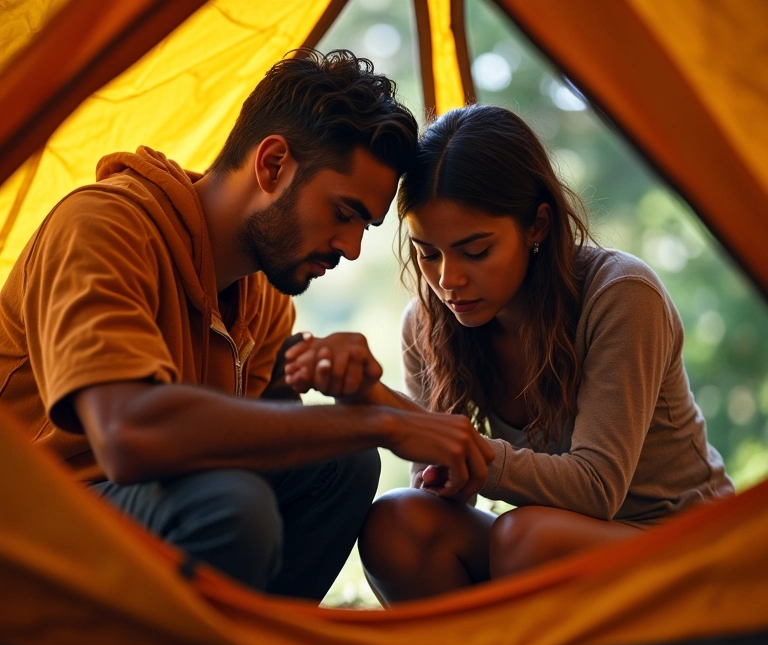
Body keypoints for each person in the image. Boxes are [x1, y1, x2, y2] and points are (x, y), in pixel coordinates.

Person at [0, 51, 495, 603]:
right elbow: (127, 435)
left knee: (342, 466)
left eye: (365, 226)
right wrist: (380, 425)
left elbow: (274, 437)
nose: (352, 249)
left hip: (130, 520)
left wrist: (356, 396)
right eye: (343, 212)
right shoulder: (104, 227)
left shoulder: (262, 297)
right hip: (29, 528)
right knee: (230, 504)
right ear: (273, 164)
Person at [283, 103, 735, 604]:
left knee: (525, 540)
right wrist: (436, 469)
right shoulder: (429, 323)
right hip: (553, 548)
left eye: (475, 251)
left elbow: (597, 489)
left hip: (681, 546)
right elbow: (441, 491)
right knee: (399, 523)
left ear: (537, 225)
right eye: (428, 253)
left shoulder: (621, 294)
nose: (448, 280)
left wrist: (440, 439)